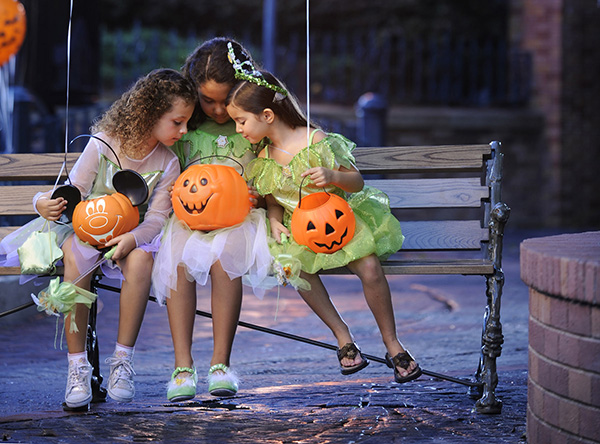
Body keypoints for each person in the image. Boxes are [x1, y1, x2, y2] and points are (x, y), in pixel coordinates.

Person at [0, 68, 196, 410]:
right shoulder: (104, 143)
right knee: (76, 257)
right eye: (178, 122)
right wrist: (41, 202)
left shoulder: (167, 162)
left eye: (186, 123)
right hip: (84, 229)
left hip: (130, 236)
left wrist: (132, 240)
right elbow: (73, 190)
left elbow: (155, 219)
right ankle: (77, 366)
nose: (183, 131)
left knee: (142, 259)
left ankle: (123, 362)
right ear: (150, 114)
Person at [226, 52, 422, 384]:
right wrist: (274, 218)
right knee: (295, 268)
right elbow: (274, 200)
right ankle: (342, 335)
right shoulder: (263, 158)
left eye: (241, 121)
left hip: (339, 222)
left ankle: (392, 343)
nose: (238, 128)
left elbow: (356, 181)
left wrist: (332, 174)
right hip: (300, 230)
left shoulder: (315, 140)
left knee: (371, 267)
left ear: (268, 115)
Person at [152, 38, 272, 402]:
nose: (219, 110)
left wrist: (258, 194)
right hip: (187, 217)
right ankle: (182, 365)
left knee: (225, 259)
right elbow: (161, 168)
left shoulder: (248, 125)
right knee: (175, 260)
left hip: (240, 218)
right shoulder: (186, 128)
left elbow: (274, 171)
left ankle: (221, 364)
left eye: (226, 99)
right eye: (209, 100)